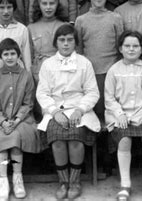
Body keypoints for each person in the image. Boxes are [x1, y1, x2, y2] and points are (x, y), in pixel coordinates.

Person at [36, 24, 100, 200]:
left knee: (75, 137)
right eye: (62, 40)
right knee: (57, 138)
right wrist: (54, 111)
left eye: (70, 40)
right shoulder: (48, 64)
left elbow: (92, 92)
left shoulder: (84, 63)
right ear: (56, 43)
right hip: (55, 109)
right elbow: (42, 93)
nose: (66, 44)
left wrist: (80, 109)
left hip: (80, 109)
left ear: (75, 42)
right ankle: (63, 181)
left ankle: (75, 181)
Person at [104, 31, 142, 201]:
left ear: (141, 48)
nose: (131, 49)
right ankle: (125, 184)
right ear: (120, 48)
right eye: (127, 46)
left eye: (135, 46)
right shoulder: (114, 70)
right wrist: (119, 114)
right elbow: (109, 97)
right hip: (119, 114)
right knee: (125, 139)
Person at [0, 38, 41, 201]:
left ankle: (18, 178)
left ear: (18, 55)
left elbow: (28, 102)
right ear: (1, 56)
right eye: (6, 54)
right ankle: (3, 180)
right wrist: (3, 121)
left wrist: (16, 120)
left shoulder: (26, 76)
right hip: (0, 121)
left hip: (23, 119)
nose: (9, 57)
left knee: (16, 137)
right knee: (3, 138)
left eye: (13, 54)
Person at [75, 0, 124, 120]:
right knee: (93, 108)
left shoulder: (115, 18)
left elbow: (120, 46)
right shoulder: (81, 20)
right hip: (90, 72)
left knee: (110, 108)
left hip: (110, 70)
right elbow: (79, 49)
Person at [27, 0, 66, 83]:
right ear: (39, 6)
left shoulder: (64, 26)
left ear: (57, 5)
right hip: (39, 72)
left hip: (60, 71)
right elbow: (29, 55)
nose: (48, 7)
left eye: (52, 3)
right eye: (44, 4)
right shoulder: (31, 28)